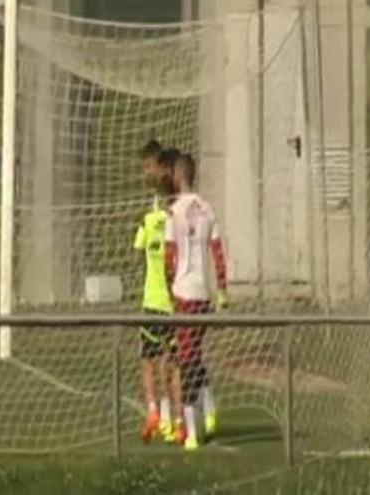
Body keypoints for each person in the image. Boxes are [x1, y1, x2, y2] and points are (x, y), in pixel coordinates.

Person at [165, 153, 228, 451]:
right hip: (203, 294)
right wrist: (222, 291)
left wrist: (169, 292)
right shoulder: (207, 208)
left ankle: (191, 432)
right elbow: (217, 252)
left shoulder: (174, 212)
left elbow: (168, 259)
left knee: (186, 361)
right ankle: (210, 404)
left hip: (183, 293)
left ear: (177, 176)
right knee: (193, 354)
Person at [135, 142, 184, 445]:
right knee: (175, 363)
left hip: (151, 302)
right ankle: (177, 420)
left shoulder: (149, 220)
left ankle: (153, 410)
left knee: (147, 359)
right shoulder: (177, 222)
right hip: (175, 303)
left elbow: (139, 252)